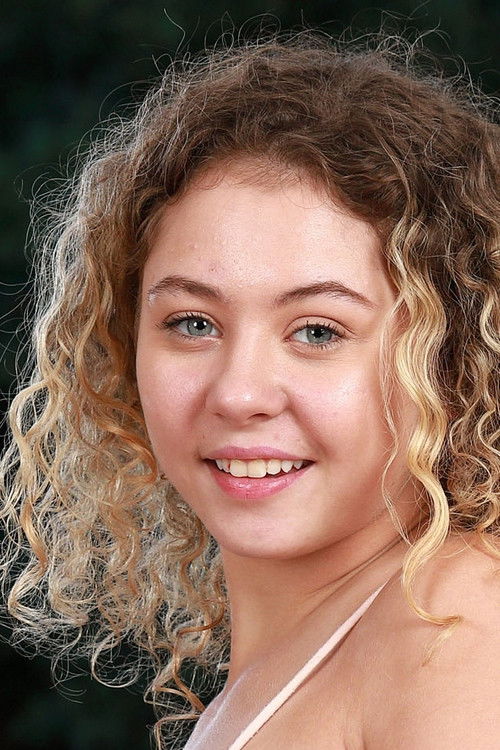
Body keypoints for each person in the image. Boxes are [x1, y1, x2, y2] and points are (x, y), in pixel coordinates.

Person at [1, 26, 499, 750]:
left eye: (318, 331)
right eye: (193, 323)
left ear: (449, 358)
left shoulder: (456, 626)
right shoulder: (337, 644)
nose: (238, 394)